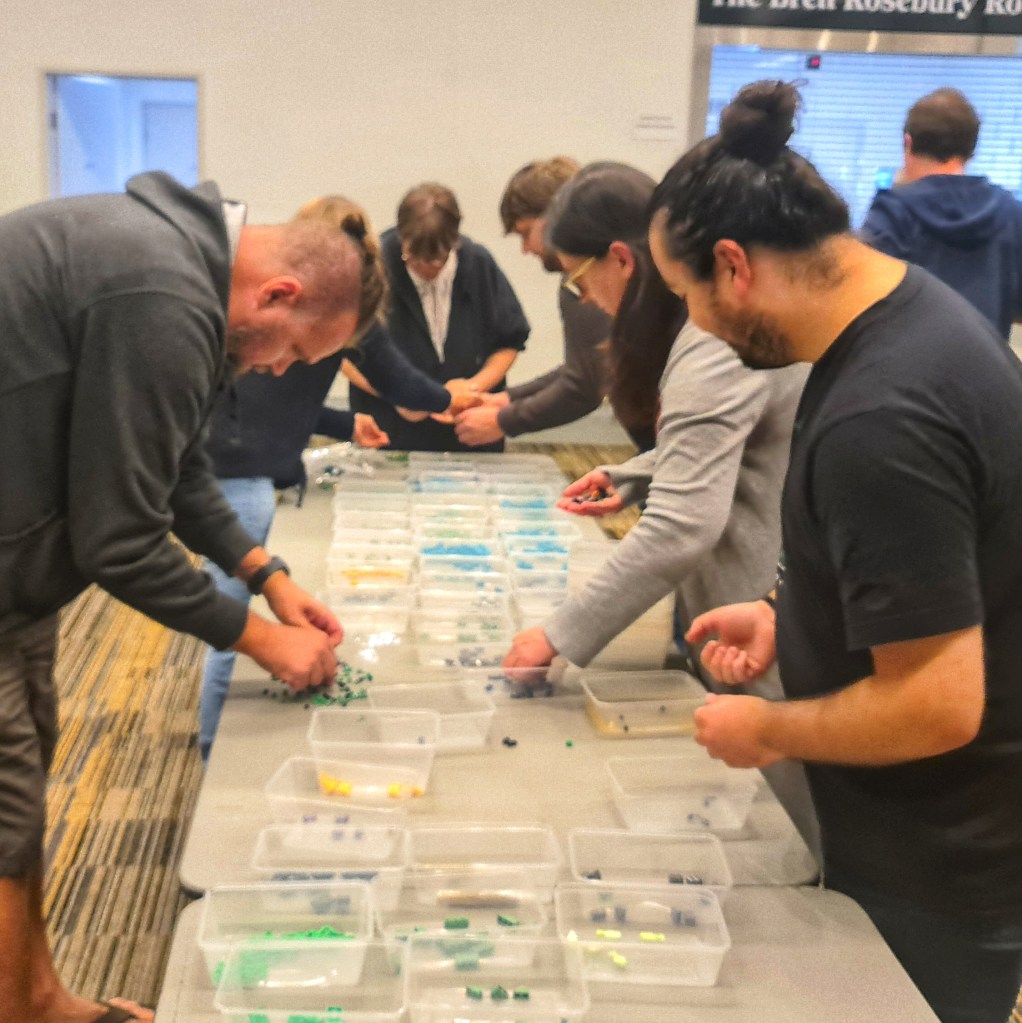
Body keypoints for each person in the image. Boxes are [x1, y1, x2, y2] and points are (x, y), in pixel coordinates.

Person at [651, 80, 1022, 1023]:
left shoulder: (882, 416)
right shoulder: (900, 316)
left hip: (938, 864)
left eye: (687, 296)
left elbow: (937, 702)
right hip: (933, 834)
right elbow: (935, 564)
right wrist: (790, 612)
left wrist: (771, 728)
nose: (695, 324)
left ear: (732, 265)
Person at [0, 171, 370, 1023]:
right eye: (293, 350)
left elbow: (174, 467)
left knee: (20, 782)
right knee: (7, 794)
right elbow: (120, 540)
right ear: (279, 292)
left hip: (18, 564)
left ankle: (36, 998)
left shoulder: (184, 271)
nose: (279, 368)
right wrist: (260, 638)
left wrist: (266, 574)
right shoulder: (162, 293)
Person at [501, 162, 814, 849]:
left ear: (624, 259)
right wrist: (641, 472)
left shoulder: (711, 341)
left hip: (762, 608)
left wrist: (556, 636)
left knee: (775, 824)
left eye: (578, 280)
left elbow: (680, 527)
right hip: (754, 603)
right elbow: (729, 444)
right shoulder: (712, 324)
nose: (584, 300)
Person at [198, 195, 477, 763]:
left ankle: (213, 731)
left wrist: (347, 423)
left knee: (235, 612)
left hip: (232, 469)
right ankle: (211, 745)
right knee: (233, 623)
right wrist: (451, 398)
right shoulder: (335, 307)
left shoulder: (278, 312)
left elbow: (279, 402)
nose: (281, 362)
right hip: (239, 480)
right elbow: (401, 382)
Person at [348, 182, 530, 451]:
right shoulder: (373, 264)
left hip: (468, 431)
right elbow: (342, 351)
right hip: (388, 432)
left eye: (437, 260)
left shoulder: (478, 263)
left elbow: (509, 341)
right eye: (412, 258)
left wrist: (470, 390)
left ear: (454, 242)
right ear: (401, 236)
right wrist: (397, 394)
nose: (425, 270)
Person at [454, 157, 612, 448]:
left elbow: (584, 387)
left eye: (526, 233)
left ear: (556, 215)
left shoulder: (583, 278)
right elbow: (585, 366)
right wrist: (508, 399)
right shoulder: (579, 275)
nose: (526, 249)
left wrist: (504, 420)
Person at [860, 87, 1022, 340]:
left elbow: (861, 300)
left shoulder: (893, 210)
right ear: (971, 150)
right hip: (983, 361)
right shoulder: (1009, 211)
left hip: (907, 361)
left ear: (908, 143)